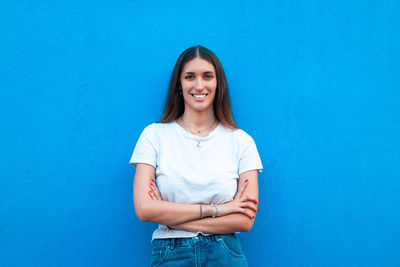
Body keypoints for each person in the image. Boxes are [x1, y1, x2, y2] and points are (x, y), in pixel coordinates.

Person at [130, 45, 263, 266]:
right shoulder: (154, 135)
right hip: (170, 254)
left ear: (217, 83)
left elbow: (244, 220)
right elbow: (144, 209)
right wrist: (219, 210)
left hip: (225, 253)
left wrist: (171, 217)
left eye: (207, 76)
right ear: (179, 85)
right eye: (190, 77)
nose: (199, 85)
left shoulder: (241, 141)